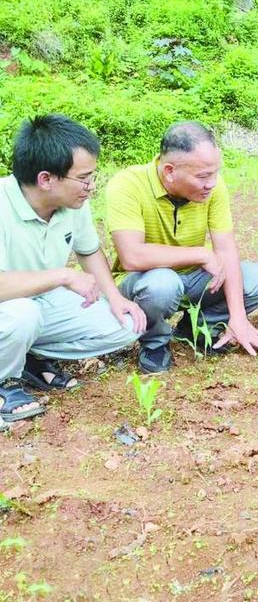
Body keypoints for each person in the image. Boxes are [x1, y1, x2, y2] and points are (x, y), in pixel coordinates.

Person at [0, 114, 145, 427]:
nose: (90, 187)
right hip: (11, 307)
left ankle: (28, 359)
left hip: (40, 302)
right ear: (46, 179)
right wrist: (62, 276)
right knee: (22, 315)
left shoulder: (73, 203)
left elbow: (88, 250)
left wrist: (115, 297)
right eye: (84, 178)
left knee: (125, 326)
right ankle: (4, 385)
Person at [106, 121, 258, 374]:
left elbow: (227, 251)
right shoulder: (127, 185)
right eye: (202, 177)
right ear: (169, 171)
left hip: (194, 278)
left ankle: (198, 327)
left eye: (215, 173)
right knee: (162, 284)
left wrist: (238, 317)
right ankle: (154, 342)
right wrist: (199, 253)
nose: (212, 183)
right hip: (144, 280)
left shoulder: (212, 188)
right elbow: (132, 256)